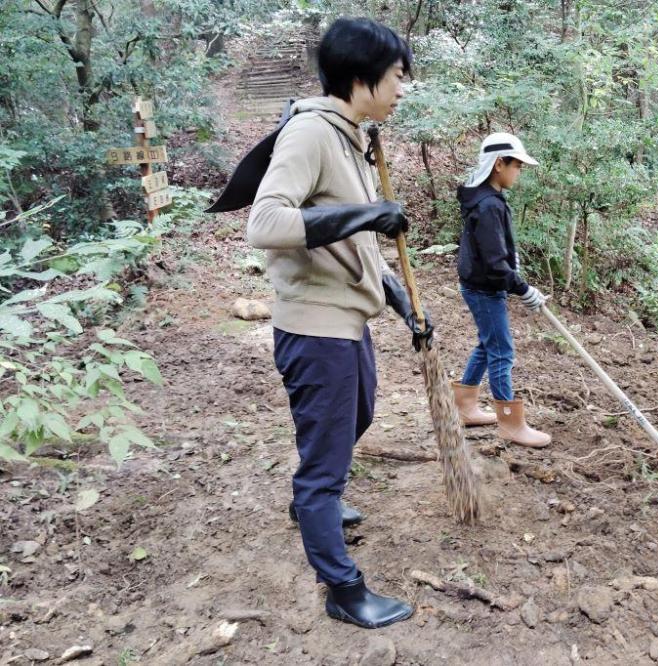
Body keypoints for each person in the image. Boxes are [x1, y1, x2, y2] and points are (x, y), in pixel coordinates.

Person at [245, 17, 430, 629]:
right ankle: (343, 588)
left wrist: (401, 302)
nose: (402, 88)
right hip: (315, 326)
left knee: (360, 416)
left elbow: (355, 244)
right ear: (361, 76)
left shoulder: (352, 137)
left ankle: (313, 503)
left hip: (348, 320)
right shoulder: (310, 133)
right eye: (397, 76)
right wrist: (367, 213)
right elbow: (265, 224)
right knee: (325, 468)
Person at [451, 133, 551, 448]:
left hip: (481, 285)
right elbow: (495, 263)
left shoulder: (488, 199)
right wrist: (523, 289)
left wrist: (517, 281)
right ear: (498, 164)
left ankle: (465, 407)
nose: (518, 172)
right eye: (516, 165)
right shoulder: (487, 205)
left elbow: (497, 254)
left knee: (488, 344)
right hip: (484, 288)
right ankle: (510, 424)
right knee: (502, 351)